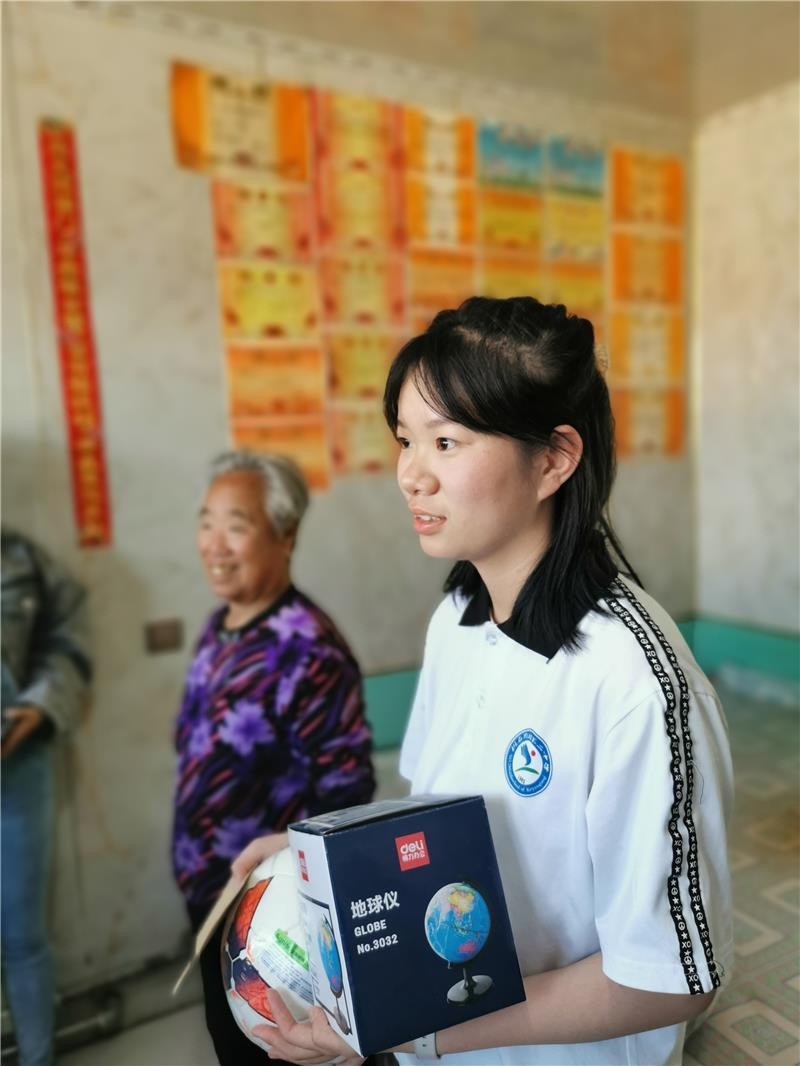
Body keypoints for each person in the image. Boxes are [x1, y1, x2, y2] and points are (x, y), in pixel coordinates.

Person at [255, 296, 734, 1066]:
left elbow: (672, 980)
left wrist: (424, 1030)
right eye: (405, 440)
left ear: (553, 459)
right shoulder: (457, 617)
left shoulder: (635, 682)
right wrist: (316, 853)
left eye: (446, 442)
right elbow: (434, 811)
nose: (411, 476)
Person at [172, 450, 376, 1066]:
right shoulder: (220, 625)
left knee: (277, 1054)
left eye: (236, 525)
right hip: (213, 900)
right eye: (206, 522)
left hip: (271, 922)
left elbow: (347, 792)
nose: (214, 544)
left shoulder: (310, 650)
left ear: (285, 535)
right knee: (230, 1044)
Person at [1, 529, 92, 1066]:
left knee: (24, 937)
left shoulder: (18, 556)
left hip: (17, 765)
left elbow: (67, 631)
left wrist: (40, 706)